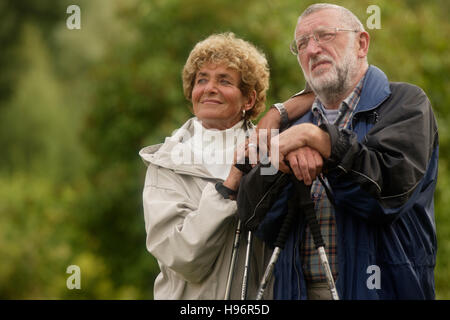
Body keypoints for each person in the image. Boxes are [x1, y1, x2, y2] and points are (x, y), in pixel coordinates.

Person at [237, 3, 438, 300]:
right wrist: (278, 166)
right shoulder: (290, 127)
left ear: (361, 43)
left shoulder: (405, 103)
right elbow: (254, 217)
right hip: (298, 292)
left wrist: (319, 140)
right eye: (302, 44)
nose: (312, 49)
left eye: (325, 35)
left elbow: (386, 195)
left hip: (382, 291)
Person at [139, 32, 274, 299]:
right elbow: (182, 256)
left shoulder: (269, 153)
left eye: (224, 80)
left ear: (248, 100)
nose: (209, 88)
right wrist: (228, 187)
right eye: (202, 80)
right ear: (191, 93)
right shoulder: (166, 163)